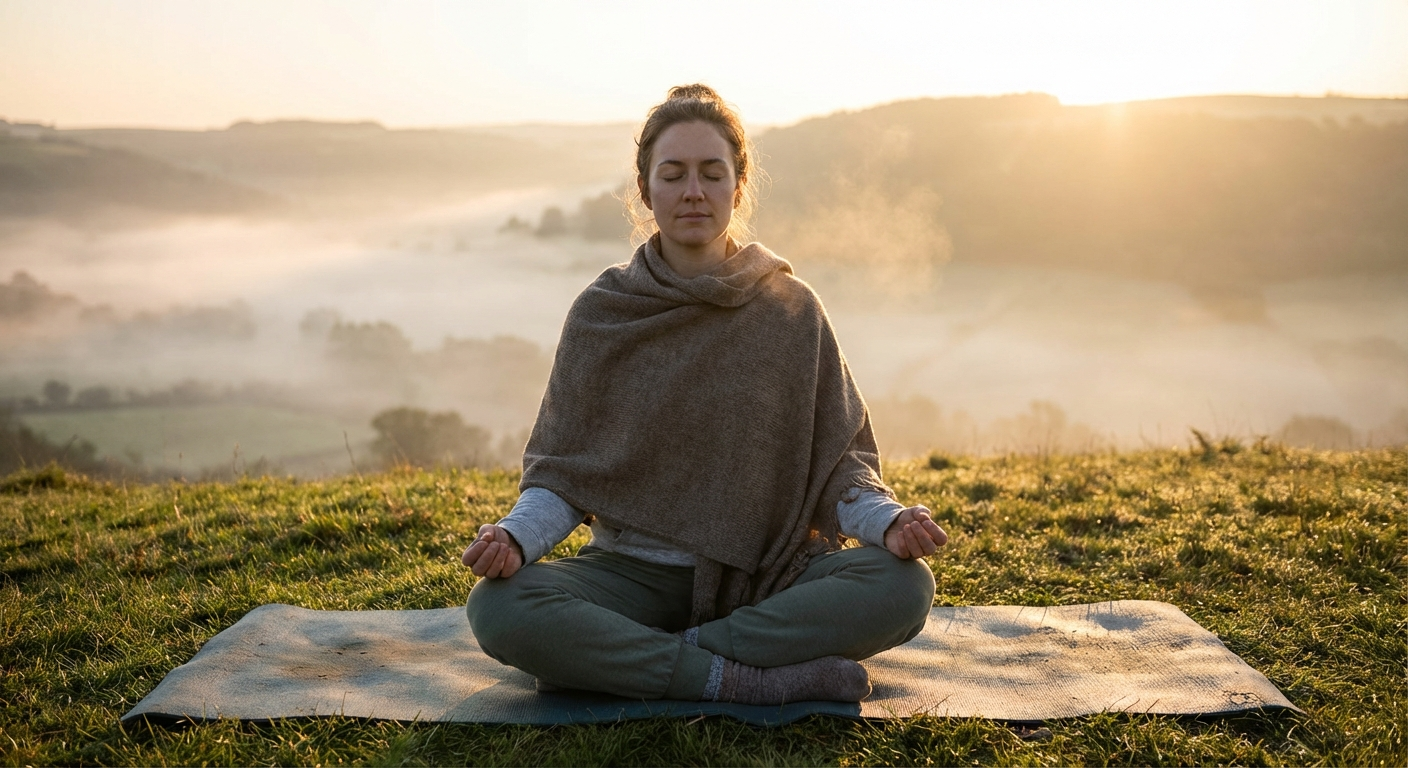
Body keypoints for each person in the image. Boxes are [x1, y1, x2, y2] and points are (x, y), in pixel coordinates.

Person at [463, 84, 947, 706]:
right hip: (629, 576)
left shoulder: (791, 313)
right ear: (646, 190)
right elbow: (564, 474)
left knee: (901, 586)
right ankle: (744, 677)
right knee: (501, 607)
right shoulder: (603, 313)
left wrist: (890, 521)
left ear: (737, 186)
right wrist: (515, 537)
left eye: (712, 173)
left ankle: (636, 661)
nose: (694, 190)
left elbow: (837, 467)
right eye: (674, 174)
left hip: (764, 575)